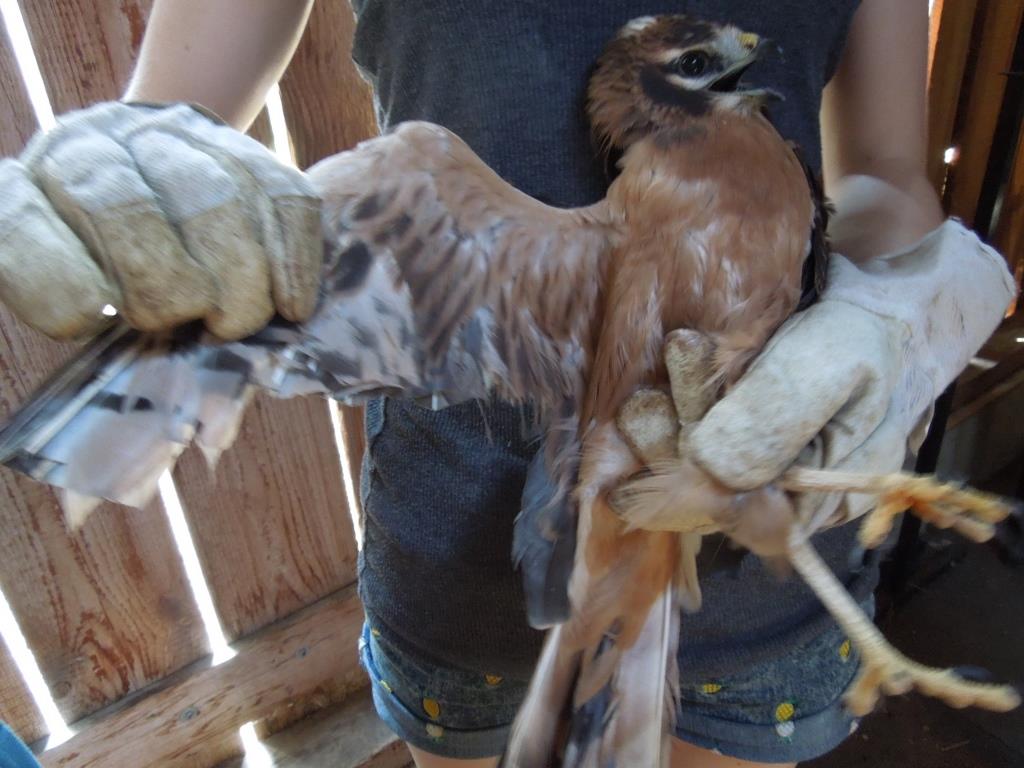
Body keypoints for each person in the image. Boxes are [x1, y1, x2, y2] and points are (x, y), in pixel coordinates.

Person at [0, 1, 1013, 767]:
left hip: (767, 603)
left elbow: (886, 167)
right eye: (710, 64)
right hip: (465, 571)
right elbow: (182, 133)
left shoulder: (756, 168)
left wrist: (897, 312)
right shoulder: (521, 210)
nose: (747, 65)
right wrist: (143, 164)